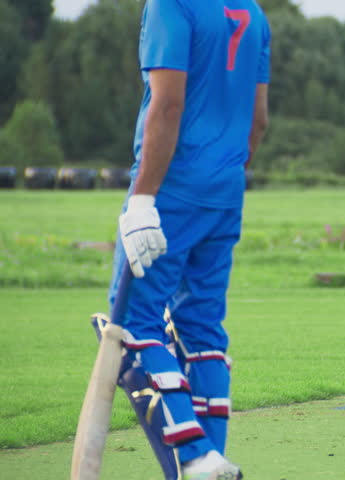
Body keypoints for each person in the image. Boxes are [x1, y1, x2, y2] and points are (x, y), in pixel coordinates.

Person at [107, 0, 270, 478]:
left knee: (134, 324)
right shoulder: (253, 11)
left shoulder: (170, 4)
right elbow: (257, 121)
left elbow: (168, 103)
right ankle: (213, 457)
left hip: (170, 187)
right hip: (226, 189)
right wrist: (221, 179)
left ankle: (196, 455)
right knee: (202, 328)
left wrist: (142, 201)